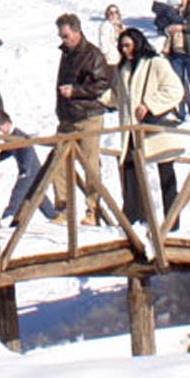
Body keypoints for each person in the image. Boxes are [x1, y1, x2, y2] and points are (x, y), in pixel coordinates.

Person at [104, 28, 189, 226]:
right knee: (131, 170)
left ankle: (172, 223)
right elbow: (118, 97)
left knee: (166, 173)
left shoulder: (156, 63)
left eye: (127, 45)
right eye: (121, 46)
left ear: (137, 43)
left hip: (156, 127)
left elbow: (175, 90)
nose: (124, 50)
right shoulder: (123, 68)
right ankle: (135, 219)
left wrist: (150, 105)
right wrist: (95, 95)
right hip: (132, 130)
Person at [50, 14, 112, 225]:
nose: (63, 40)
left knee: (90, 165)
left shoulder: (92, 54)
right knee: (58, 162)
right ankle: (64, 209)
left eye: (66, 36)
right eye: (61, 36)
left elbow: (102, 84)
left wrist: (76, 91)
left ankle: (93, 211)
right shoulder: (66, 54)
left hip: (88, 116)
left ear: (77, 32)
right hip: (67, 117)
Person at [0, 114, 47, 223]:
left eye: (0, 127)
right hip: (28, 169)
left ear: (7, 124)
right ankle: (53, 215)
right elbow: (9, 150)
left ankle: (8, 216)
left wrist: (25, 169)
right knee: (37, 195)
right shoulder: (10, 136)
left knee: (18, 192)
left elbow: (27, 151)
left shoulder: (17, 135)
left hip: (29, 169)